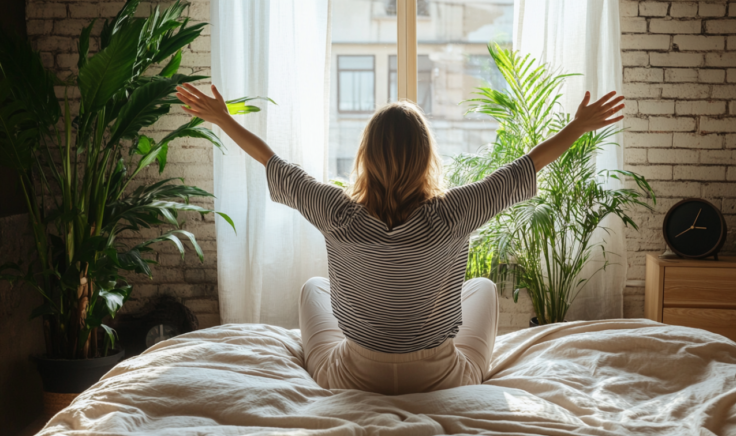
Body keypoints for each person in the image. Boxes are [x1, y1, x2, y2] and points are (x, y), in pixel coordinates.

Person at [176, 83, 624, 395]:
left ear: (366, 156)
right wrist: (579, 126)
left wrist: (223, 118)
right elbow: (523, 168)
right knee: (482, 287)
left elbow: (274, 163)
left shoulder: (337, 213)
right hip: (442, 376)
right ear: (426, 157)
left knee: (313, 287)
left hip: (352, 374)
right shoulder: (453, 213)